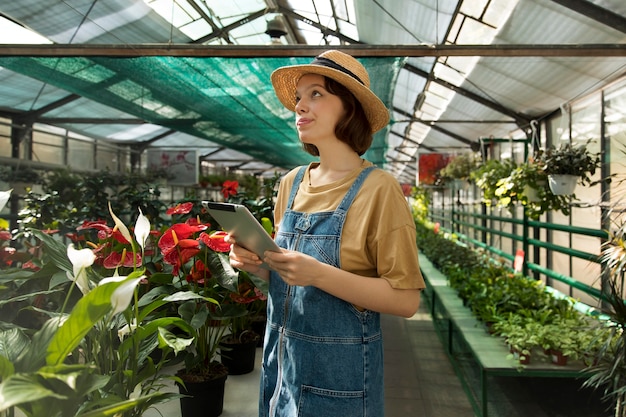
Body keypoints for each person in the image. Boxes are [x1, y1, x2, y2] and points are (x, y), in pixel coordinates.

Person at [227, 50, 426, 417]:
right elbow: (284, 279)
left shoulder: (379, 189)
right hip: (280, 372)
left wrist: (318, 273)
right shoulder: (292, 183)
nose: (300, 106)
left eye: (316, 93)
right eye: (299, 97)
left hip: (341, 385)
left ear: (350, 109)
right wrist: (255, 265)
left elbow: (406, 300)